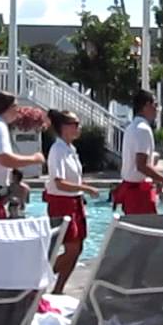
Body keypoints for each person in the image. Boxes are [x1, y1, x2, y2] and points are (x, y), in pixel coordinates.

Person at [45, 109, 100, 293]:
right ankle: (41, 278)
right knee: (71, 248)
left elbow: (73, 180)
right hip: (62, 203)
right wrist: (86, 188)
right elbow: (59, 183)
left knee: (78, 248)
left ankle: (59, 289)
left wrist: (83, 187)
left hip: (74, 202)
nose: (79, 128)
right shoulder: (57, 150)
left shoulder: (70, 149)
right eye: (75, 124)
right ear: (64, 127)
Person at [115, 89, 163, 214]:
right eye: (155, 105)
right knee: (147, 230)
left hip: (131, 191)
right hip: (139, 193)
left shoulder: (131, 127)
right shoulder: (143, 129)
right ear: (146, 106)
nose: (157, 109)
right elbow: (141, 165)